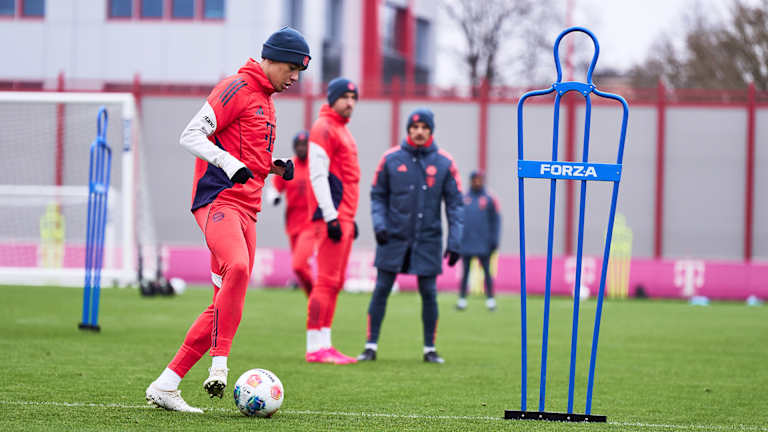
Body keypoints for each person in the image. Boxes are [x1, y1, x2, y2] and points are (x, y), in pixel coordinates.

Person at [145, 26, 310, 413]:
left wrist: (271, 166)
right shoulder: (235, 87)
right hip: (218, 202)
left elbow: (243, 153)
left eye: (299, 72)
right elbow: (191, 136)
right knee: (236, 267)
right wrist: (227, 162)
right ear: (270, 58)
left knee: (223, 304)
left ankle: (166, 384)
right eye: (290, 68)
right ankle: (220, 368)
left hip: (248, 211)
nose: (295, 78)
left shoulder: (268, 102)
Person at [357, 108, 463, 364]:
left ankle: (430, 349)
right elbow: (377, 196)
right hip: (392, 237)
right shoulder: (390, 159)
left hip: (428, 239)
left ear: (430, 131)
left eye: (424, 128)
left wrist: (455, 241)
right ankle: (370, 346)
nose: (419, 132)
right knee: (381, 289)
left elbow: (455, 205)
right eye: (414, 127)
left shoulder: (444, 162)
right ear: (408, 130)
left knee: (429, 292)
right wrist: (379, 225)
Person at [304, 77, 361, 364]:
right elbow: (317, 175)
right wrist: (332, 216)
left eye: (354, 97)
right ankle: (315, 346)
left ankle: (325, 343)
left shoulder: (341, 129)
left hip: (344, 215)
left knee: (335, 282)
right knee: (325, 282)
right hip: (332, 217)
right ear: (332, 98)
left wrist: (349, 217)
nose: (350, 102)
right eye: (345, 97)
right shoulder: (324, 127)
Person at [268, 130, 320, 296]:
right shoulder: (289, 165)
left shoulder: (317, 166)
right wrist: (274, 197)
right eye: (298, 145)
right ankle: (313, 299)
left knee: (298, 265)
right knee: (301, 268)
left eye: (305, 145)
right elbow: (274, 187)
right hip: (292, 225)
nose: (302, 148)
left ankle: (316, 297)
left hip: (312, 225)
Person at [457, 170, 501, 311]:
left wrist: (494, 240)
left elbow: (496, 221)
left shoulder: (489, 198)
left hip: (484, 243)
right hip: (467, 242)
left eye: (479, 179)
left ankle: (490, 300)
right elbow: (457, 220)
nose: (477, 182)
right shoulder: (464, 198)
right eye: (475, 179)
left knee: (487, 272)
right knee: (466, 272)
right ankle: (462, 299)